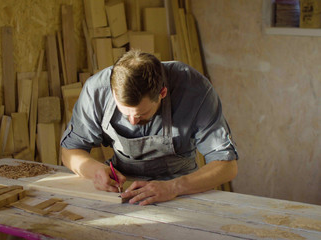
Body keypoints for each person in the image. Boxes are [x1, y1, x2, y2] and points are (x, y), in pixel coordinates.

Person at [60, 50, 238, 206]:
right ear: (113, 92)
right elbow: (69, 151)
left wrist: (174, 187)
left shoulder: (194, 89)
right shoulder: (97, 90)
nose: (132, 121)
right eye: (125, 114)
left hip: (181, 189)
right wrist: (95, 171)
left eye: (140, 115)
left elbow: (227, 165)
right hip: (121, 189)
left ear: (162, 93)